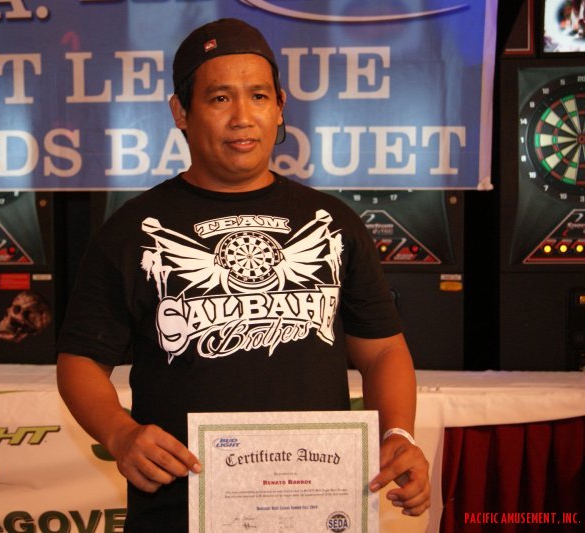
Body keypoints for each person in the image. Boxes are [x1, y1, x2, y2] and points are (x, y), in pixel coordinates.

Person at [56, 18, 430, 531]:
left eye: (258, 96)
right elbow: (80, 361)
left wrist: (399, 435)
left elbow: (383, 350)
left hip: (317, 508)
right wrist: (120, 435)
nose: (242, 118)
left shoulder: (333, 222)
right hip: (180, 510)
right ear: (181, 112)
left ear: (280, 107)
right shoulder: (133, 231)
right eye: (219, 99)